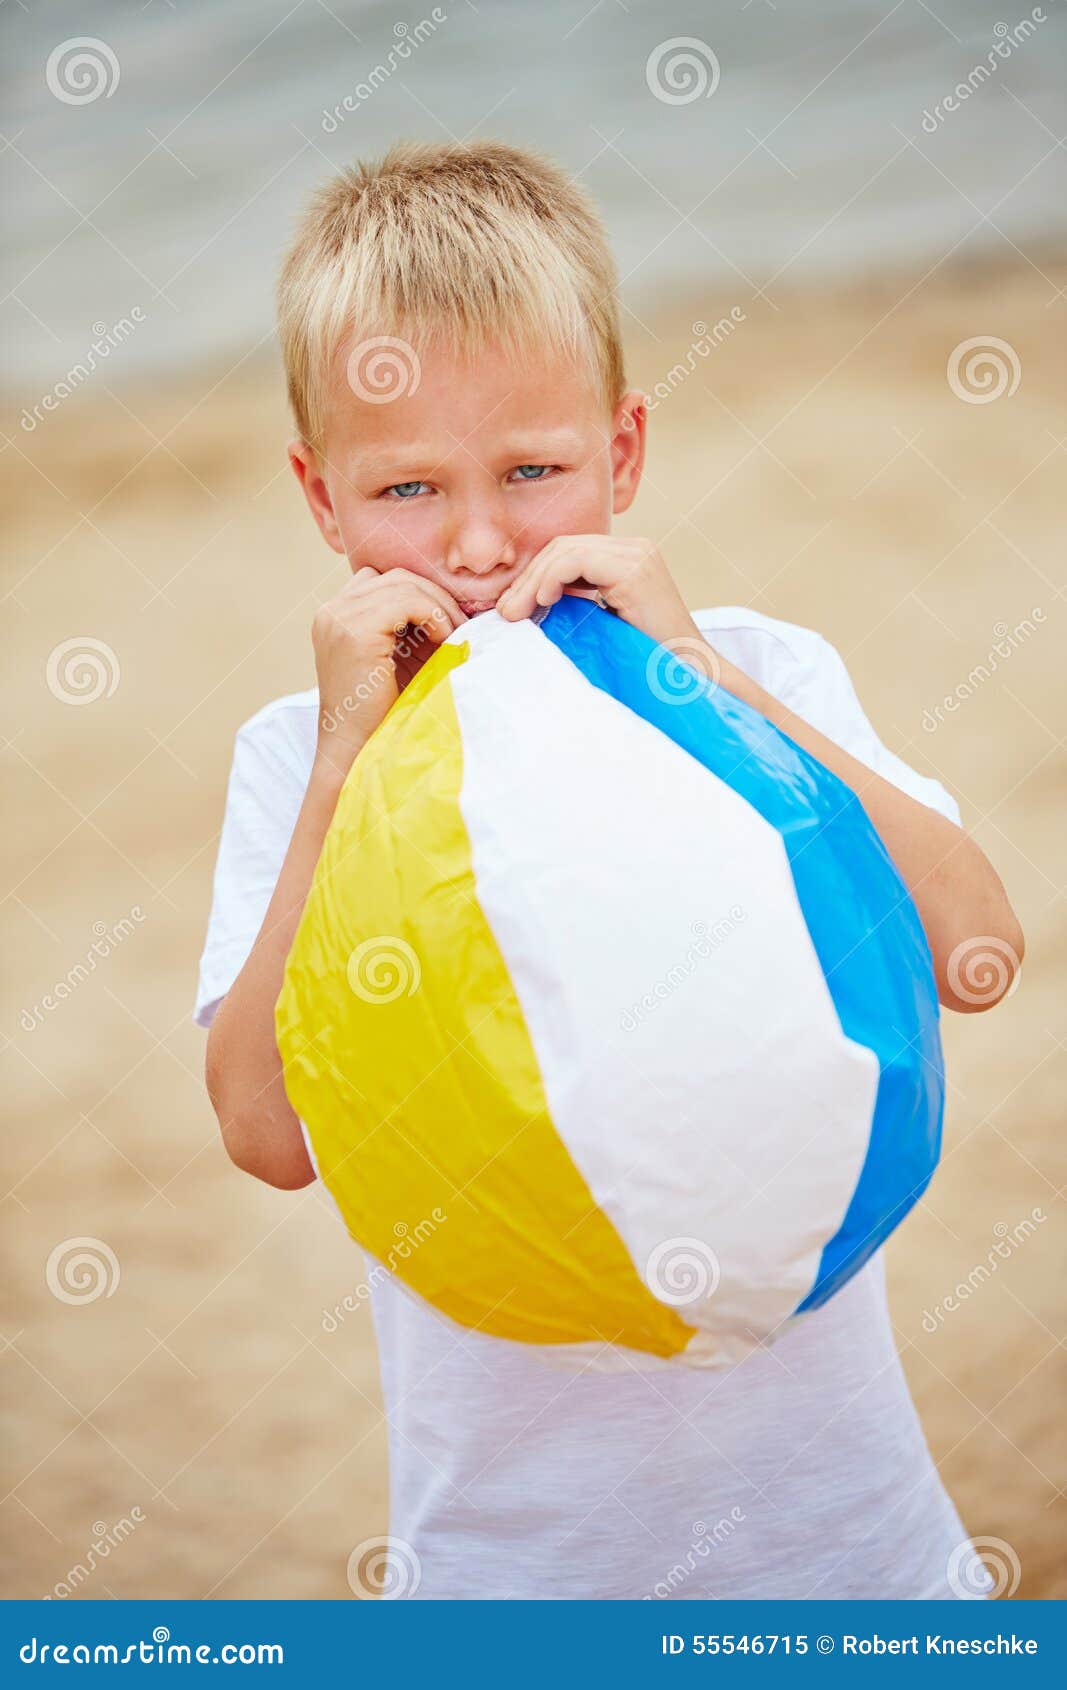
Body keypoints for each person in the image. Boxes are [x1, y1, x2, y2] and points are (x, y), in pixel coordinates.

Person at [195, 140, 1023, 1600]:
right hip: (514, 1578)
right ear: (320, 497)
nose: (472, 539)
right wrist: (344, 758)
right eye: (404, 489)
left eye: (534, 471)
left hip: (859, 1560)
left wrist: (699, 672)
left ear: (622, 453)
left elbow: (976, 950)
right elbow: (270, 1133)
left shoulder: (758, 668)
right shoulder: (298, 756)